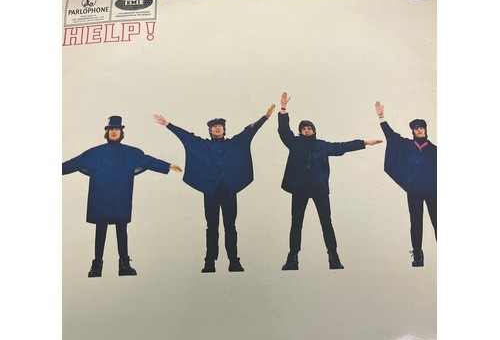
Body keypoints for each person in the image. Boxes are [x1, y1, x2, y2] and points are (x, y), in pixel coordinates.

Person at [154, 104, 275, 273]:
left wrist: (265, 117)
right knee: (211, 226)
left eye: (220, 126)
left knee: (230, 226)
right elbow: (185, 137)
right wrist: (168, 124)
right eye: (214, 126)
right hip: (210, 190)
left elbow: (249, 131)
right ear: (210, 131)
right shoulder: (203, 145)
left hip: (229, 189)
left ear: (224, 129)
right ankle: (209, 262)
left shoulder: (234, 143)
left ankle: (234, 261)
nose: (217, 128)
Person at [62, 116, 182, 277]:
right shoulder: (95, 152)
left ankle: (124, 265)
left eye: (117, 129)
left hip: (121, 195)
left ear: (121, 133)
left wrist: (168, 166)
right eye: (111, 129)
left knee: (121, 228)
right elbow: (75, 162)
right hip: (100, 196)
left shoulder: (131, 152)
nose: (114, 131)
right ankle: (97, 265)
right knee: (101, 228)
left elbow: (148, 161)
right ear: (106, 132)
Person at [278, 92, 382, 270]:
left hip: (319, 189)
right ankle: (292, 258)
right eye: (303, 128)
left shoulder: (322, 145)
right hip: (300, 189)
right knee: (296, 223)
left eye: (309, 128)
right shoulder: (295, 143)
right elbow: (283, 131)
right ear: (300, 132)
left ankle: (333, 257)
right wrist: (283, 109)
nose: (306, 130)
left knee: (326, 222)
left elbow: (342, 147)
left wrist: (364, 142)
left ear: (314, 131)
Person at [374, 101, 437, 267]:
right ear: (413, 131)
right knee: (416, 223)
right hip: (414, 190)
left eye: (421, 127)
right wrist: (381, 117)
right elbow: (391, 136)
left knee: (438, 222)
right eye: (416, 128)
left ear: (425, 130)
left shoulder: (435, 150)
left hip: (433, 191)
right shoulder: (407, 145)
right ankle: (418, 255)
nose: (419, 130)